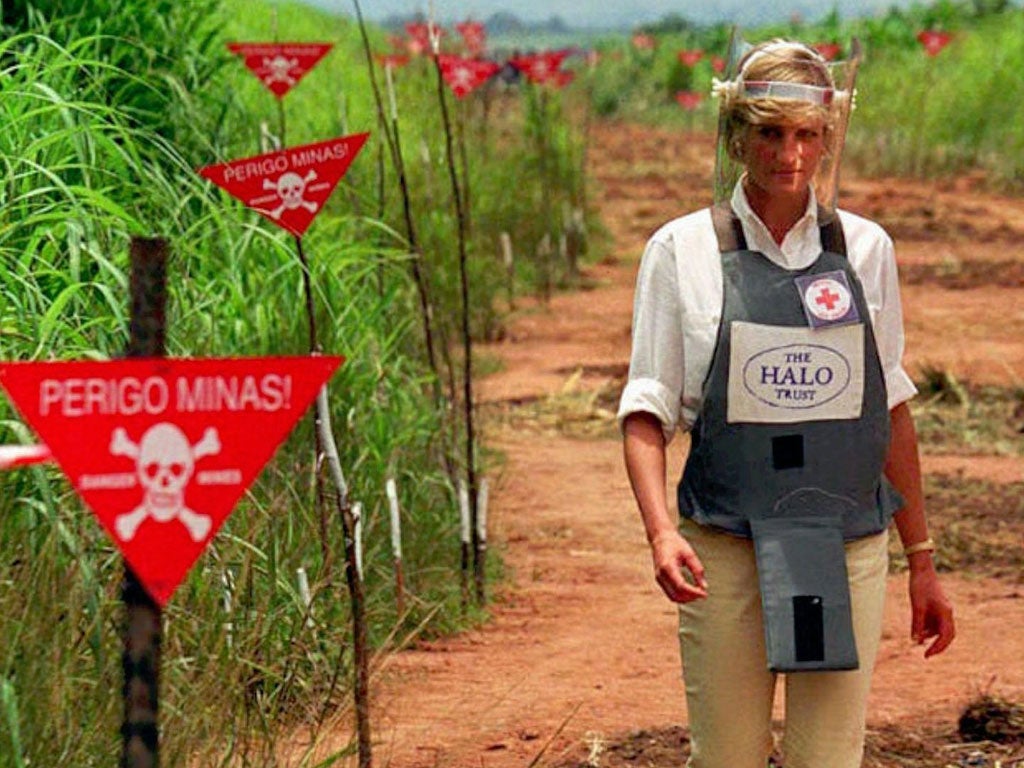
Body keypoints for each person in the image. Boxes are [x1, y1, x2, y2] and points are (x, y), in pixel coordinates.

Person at [618, 39, 955, 768]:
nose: (789, 154)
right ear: (737, 133)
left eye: (806, 135)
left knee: (829, 757)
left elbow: (889, 405)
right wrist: (658, 534)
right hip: (726, 546)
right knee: (727, 755)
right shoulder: (681, 252)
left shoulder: (865, 251)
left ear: (828, 138)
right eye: (770, 132)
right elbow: (646, 408)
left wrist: (921, 558)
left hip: (844, 545)